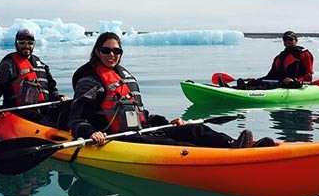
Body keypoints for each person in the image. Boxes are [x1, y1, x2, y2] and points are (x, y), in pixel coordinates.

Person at [68, 32, 273, 148]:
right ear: (97, 51)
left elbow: (141, 113)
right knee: (173, 143)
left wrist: (166, 122)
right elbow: (76, 119)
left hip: (141, 130)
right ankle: (228, 155)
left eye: (116, 50)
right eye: (106, 50)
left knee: (191, 129)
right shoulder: (89, 81)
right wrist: (90, 133)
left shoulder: (124, 76)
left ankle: (234, 145)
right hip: (118, 138)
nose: (112, 54)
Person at [0, 28, 68, 127]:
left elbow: (51, 87)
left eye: (30, 43)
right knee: (46, 121)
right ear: (16, 44)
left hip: (45, 108)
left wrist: (57, 96)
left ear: (34, 44)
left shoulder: (41, 65)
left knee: (70, 107)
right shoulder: (7, 65)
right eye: (22, 42)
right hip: (20, 112)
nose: (26, 46)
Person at [235, 31, 314, 90]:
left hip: (292, 83)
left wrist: (294, 80)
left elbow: (308, 76)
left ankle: (244, 90)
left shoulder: (304, 54)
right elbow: (270, 75)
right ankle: (233, 88)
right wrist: (256, 79)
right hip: (277, 81)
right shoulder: (279, 57)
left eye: (290, 39)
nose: (287, 41)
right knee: (254, 82)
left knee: (266, 84)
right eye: (285, 39)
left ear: (296, 41)